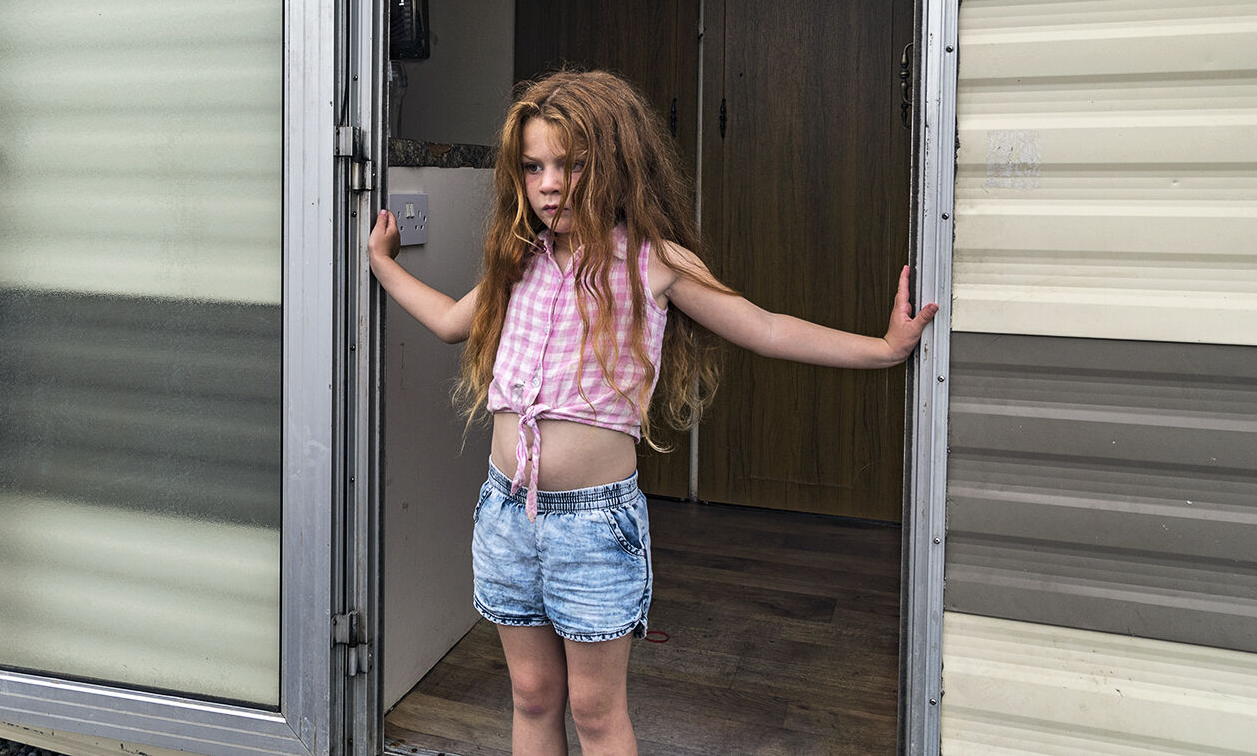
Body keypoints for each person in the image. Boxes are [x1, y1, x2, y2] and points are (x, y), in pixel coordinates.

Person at [368, 69, 937, 756]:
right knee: (531, 696)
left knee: (596, 711)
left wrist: (882, 348)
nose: (550, 183)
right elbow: (451, 322)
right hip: (505, 515)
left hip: (595, 527)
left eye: (572, 165)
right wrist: (383, 263)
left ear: (615, 164)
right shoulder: (518, 259)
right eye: (534, 166)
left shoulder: (651, 261)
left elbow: (764, 325)